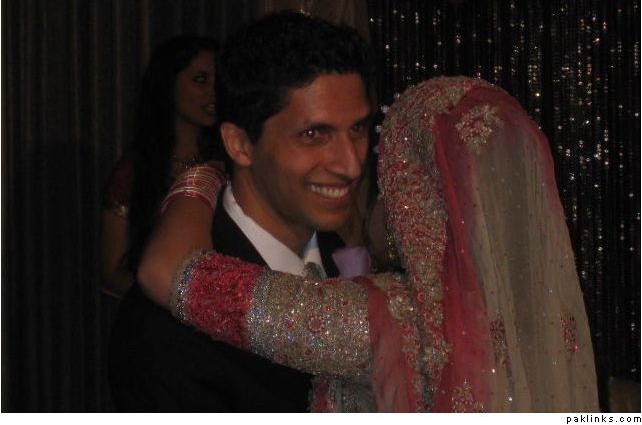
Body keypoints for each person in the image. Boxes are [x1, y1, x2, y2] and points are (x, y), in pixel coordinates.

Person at [139, 75, 600, 412]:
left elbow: (174, 274)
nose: (353, 168)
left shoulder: (386, 318)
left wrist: (204, 175)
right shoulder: (548, 327)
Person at [109, 11, 375, 411]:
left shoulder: (347, 263)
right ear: (239, 144)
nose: (351, 165)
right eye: (313, 134)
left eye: (357, 129)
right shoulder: (165, 332)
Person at [101, 36, 219, 298]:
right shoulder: (138, 169)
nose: (214, 91)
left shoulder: (229, 162)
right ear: (169, 84)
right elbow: (111, 271)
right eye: (200, 80)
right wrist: (175, 303)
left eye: (218, 81)